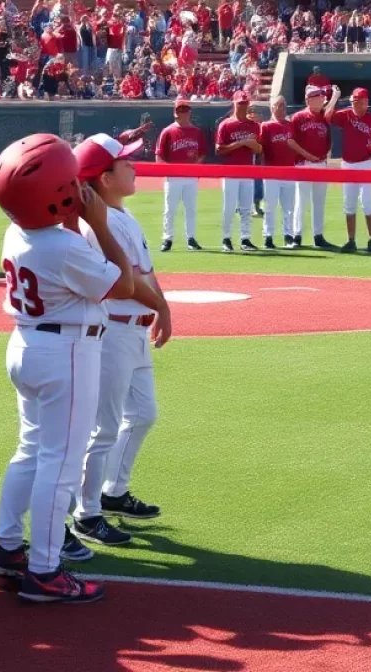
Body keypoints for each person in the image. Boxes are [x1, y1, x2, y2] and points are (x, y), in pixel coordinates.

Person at [0, 134, 134, 605]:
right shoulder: (64, 248)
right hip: (65, 352)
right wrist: (100, 224)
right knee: (60, 463)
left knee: (30, 451)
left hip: (27, 344)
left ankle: (7, 546)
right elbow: (123, 281)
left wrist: (69, 212)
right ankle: (44, 570)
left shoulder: (17, 231)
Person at [71, 135, 169, 549]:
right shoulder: (97, 224)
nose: (134, 166)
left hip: (133, 330)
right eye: (125, 163)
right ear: (104, 178)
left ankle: (113, 491)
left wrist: (162, 307)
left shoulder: (121, 214)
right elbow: (123, 283)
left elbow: (145, 273)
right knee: (104, 427)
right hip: (112, 329)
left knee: (143, 413)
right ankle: (86, 514)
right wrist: (162, 309)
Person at [324, 86, 371, 254]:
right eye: (354, 102)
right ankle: (351, 240)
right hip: (348, 163)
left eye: (360, 102)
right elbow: (327, 115)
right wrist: (335, 97)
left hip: (366, 163)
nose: (356, 105)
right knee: (349, 204)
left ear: (366, 103)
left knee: (368, 202)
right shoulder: (346, 115)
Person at [289, 85, 336, 251]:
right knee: (301, 201)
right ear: (309, 99)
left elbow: (329, 140)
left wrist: (325, 155)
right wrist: (307, 155)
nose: (322, 99)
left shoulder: (323, 117)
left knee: (319, 202)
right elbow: (291, 141)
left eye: (322, 97)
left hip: (320, 164)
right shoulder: (298, 117)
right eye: (318, 96)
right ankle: (297, 236)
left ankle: (318, 236)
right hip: (304, 164)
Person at [215, 91, 262, 253]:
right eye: (240, 103)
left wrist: (251, 144)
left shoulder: (254, 125)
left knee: (246, 208)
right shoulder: (226, 124)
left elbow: (259, 149)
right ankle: (226, 238)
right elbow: (219, 150)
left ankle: (245, 238)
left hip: (247, 171)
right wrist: (242, 142)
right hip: (230, 171)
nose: (242, 106)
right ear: (234, 103)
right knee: (229, 207)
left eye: (245, 103)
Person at [156, 99, 205, 252]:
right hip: (173, 177)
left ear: (189, 112)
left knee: (191, 209)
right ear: (174, 112)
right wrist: (168, 171)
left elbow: (202, 153)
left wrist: (195, 167)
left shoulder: (197, 132)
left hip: (190, 177)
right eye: (179, 110)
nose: (181, 112)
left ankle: (190, 238)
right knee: (170, 209)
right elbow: (159, 156)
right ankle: (167, 239)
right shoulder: (168, 131)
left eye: (184, 109)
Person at [258, 96, 297, 249]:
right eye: (277, 106)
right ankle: (268, 236)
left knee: (289, 206)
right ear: (271, 108)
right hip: (272, 171)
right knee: (270, 206)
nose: (280, 109)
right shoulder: (266, 126)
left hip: (289, 170)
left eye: (283, 105)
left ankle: (288, 236)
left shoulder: (290, 125)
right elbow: (261, 149)